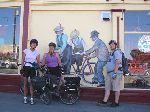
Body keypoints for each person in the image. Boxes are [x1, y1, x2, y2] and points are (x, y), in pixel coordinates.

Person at [97, 40, 124, 107]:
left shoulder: (117, 52)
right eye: (110, 44)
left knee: (116, 88)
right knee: (107, 87)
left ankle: (116, 102)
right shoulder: (111, 53)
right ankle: (104, 101)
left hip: (116, 73)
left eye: (112, 44)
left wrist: (115, 73)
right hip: (109, 73)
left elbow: (118, 62)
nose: (111, 45)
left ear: (115, 45)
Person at [22, 39, 40, 105]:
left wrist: (38, 69)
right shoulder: (26, 51)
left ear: (36, 45)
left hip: (32, 69)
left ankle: (32, 99)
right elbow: (23, 60)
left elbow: (38, 62)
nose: (34, 44)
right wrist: (22, 68)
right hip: (26, 68)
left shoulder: (37, 53)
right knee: (25, 83)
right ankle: (25, 98)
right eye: (32, 43)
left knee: (31, 84)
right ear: (30, 44)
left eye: (35, 44)